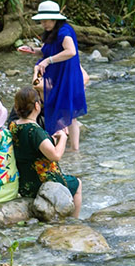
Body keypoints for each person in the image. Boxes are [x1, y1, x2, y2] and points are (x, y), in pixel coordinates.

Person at [9, 85, 82, 217]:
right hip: (42, 182)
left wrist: (49, 139)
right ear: (37, 106)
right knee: (77, 184)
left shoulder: (13, 126)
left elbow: (31, 147)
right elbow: (55, 156)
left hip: (23, 182)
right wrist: (63, 138)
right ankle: (75, 222)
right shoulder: (35, 130)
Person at [32, 0, 87, 152]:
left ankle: (74, 150)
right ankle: (64, 147)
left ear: (54, 18)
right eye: (41, 21)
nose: (43, 24)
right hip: (59, 74)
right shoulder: (52, 32)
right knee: (62, 110)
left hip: (67, 76)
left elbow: (70, 51)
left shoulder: (64, 31)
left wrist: (47, 62)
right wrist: (32, 50)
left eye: (45, 21)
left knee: (69, 113)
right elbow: (49, 50)